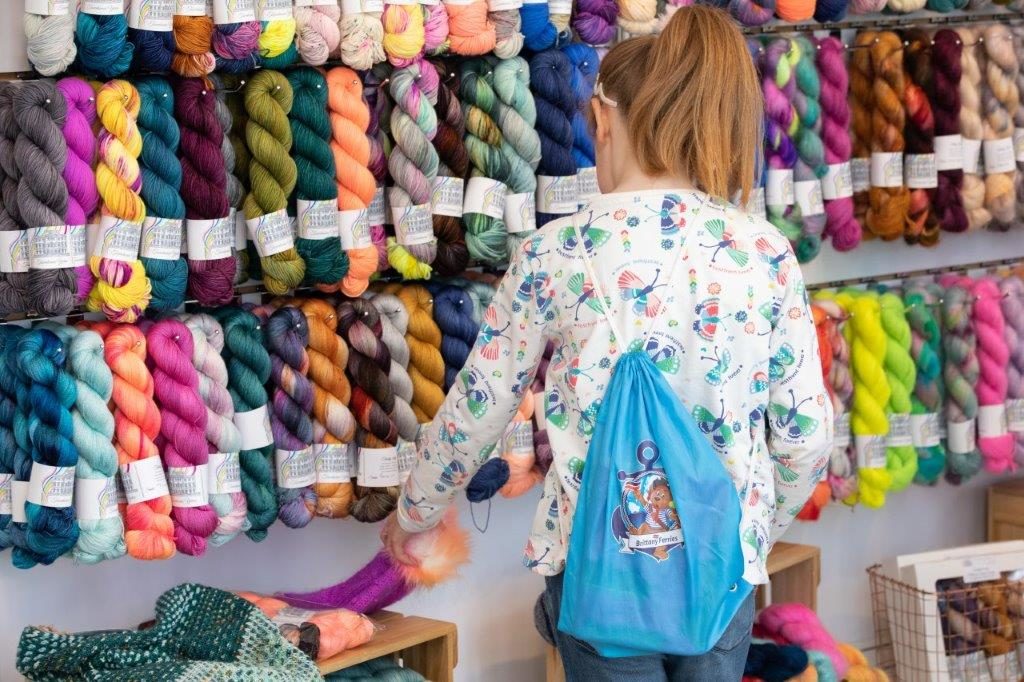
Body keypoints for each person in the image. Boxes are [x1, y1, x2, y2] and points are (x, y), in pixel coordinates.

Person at [382, 6, 833, 680]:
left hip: (598, 566)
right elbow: (805, 436)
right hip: (719, 574)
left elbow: (480, 406)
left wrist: (415, 510)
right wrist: (753, 532)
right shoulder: (764, 251)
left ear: (602, 119)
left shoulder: (557, 252)